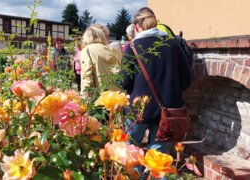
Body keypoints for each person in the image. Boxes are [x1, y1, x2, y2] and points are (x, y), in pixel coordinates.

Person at [120, 8, 192, 155]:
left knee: (132, 155)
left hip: (139, 110)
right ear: (154, 23)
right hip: (168, 111)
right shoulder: (173, 45)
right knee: (158, 161)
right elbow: (186, 80)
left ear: (136, 26)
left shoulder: (132, 47)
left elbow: (124, 83)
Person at [80, 23, 122, 96]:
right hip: (117, 96)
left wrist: (84, 98)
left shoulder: (87, 50)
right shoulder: (114, 51)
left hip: (100, 98)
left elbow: (87, 77)